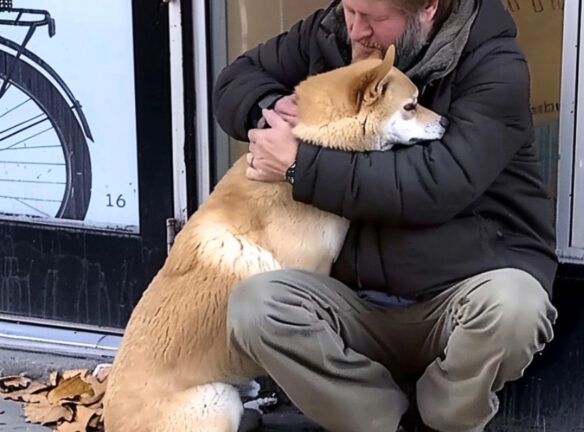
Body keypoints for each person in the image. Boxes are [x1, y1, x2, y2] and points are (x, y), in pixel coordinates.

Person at [213, 0, 558, 430]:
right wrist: (274, 105)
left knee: (517, 308)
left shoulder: (494, 67)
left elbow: (435, 186)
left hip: (458, 296)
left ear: (428, 8)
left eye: (374, 19)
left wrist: (301, 166)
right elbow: (234, 81)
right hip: (356, 302)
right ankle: (378, 419)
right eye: (350, 10)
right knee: (255, 306)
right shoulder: (333, 32)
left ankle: (445, 415)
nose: (356, 30)